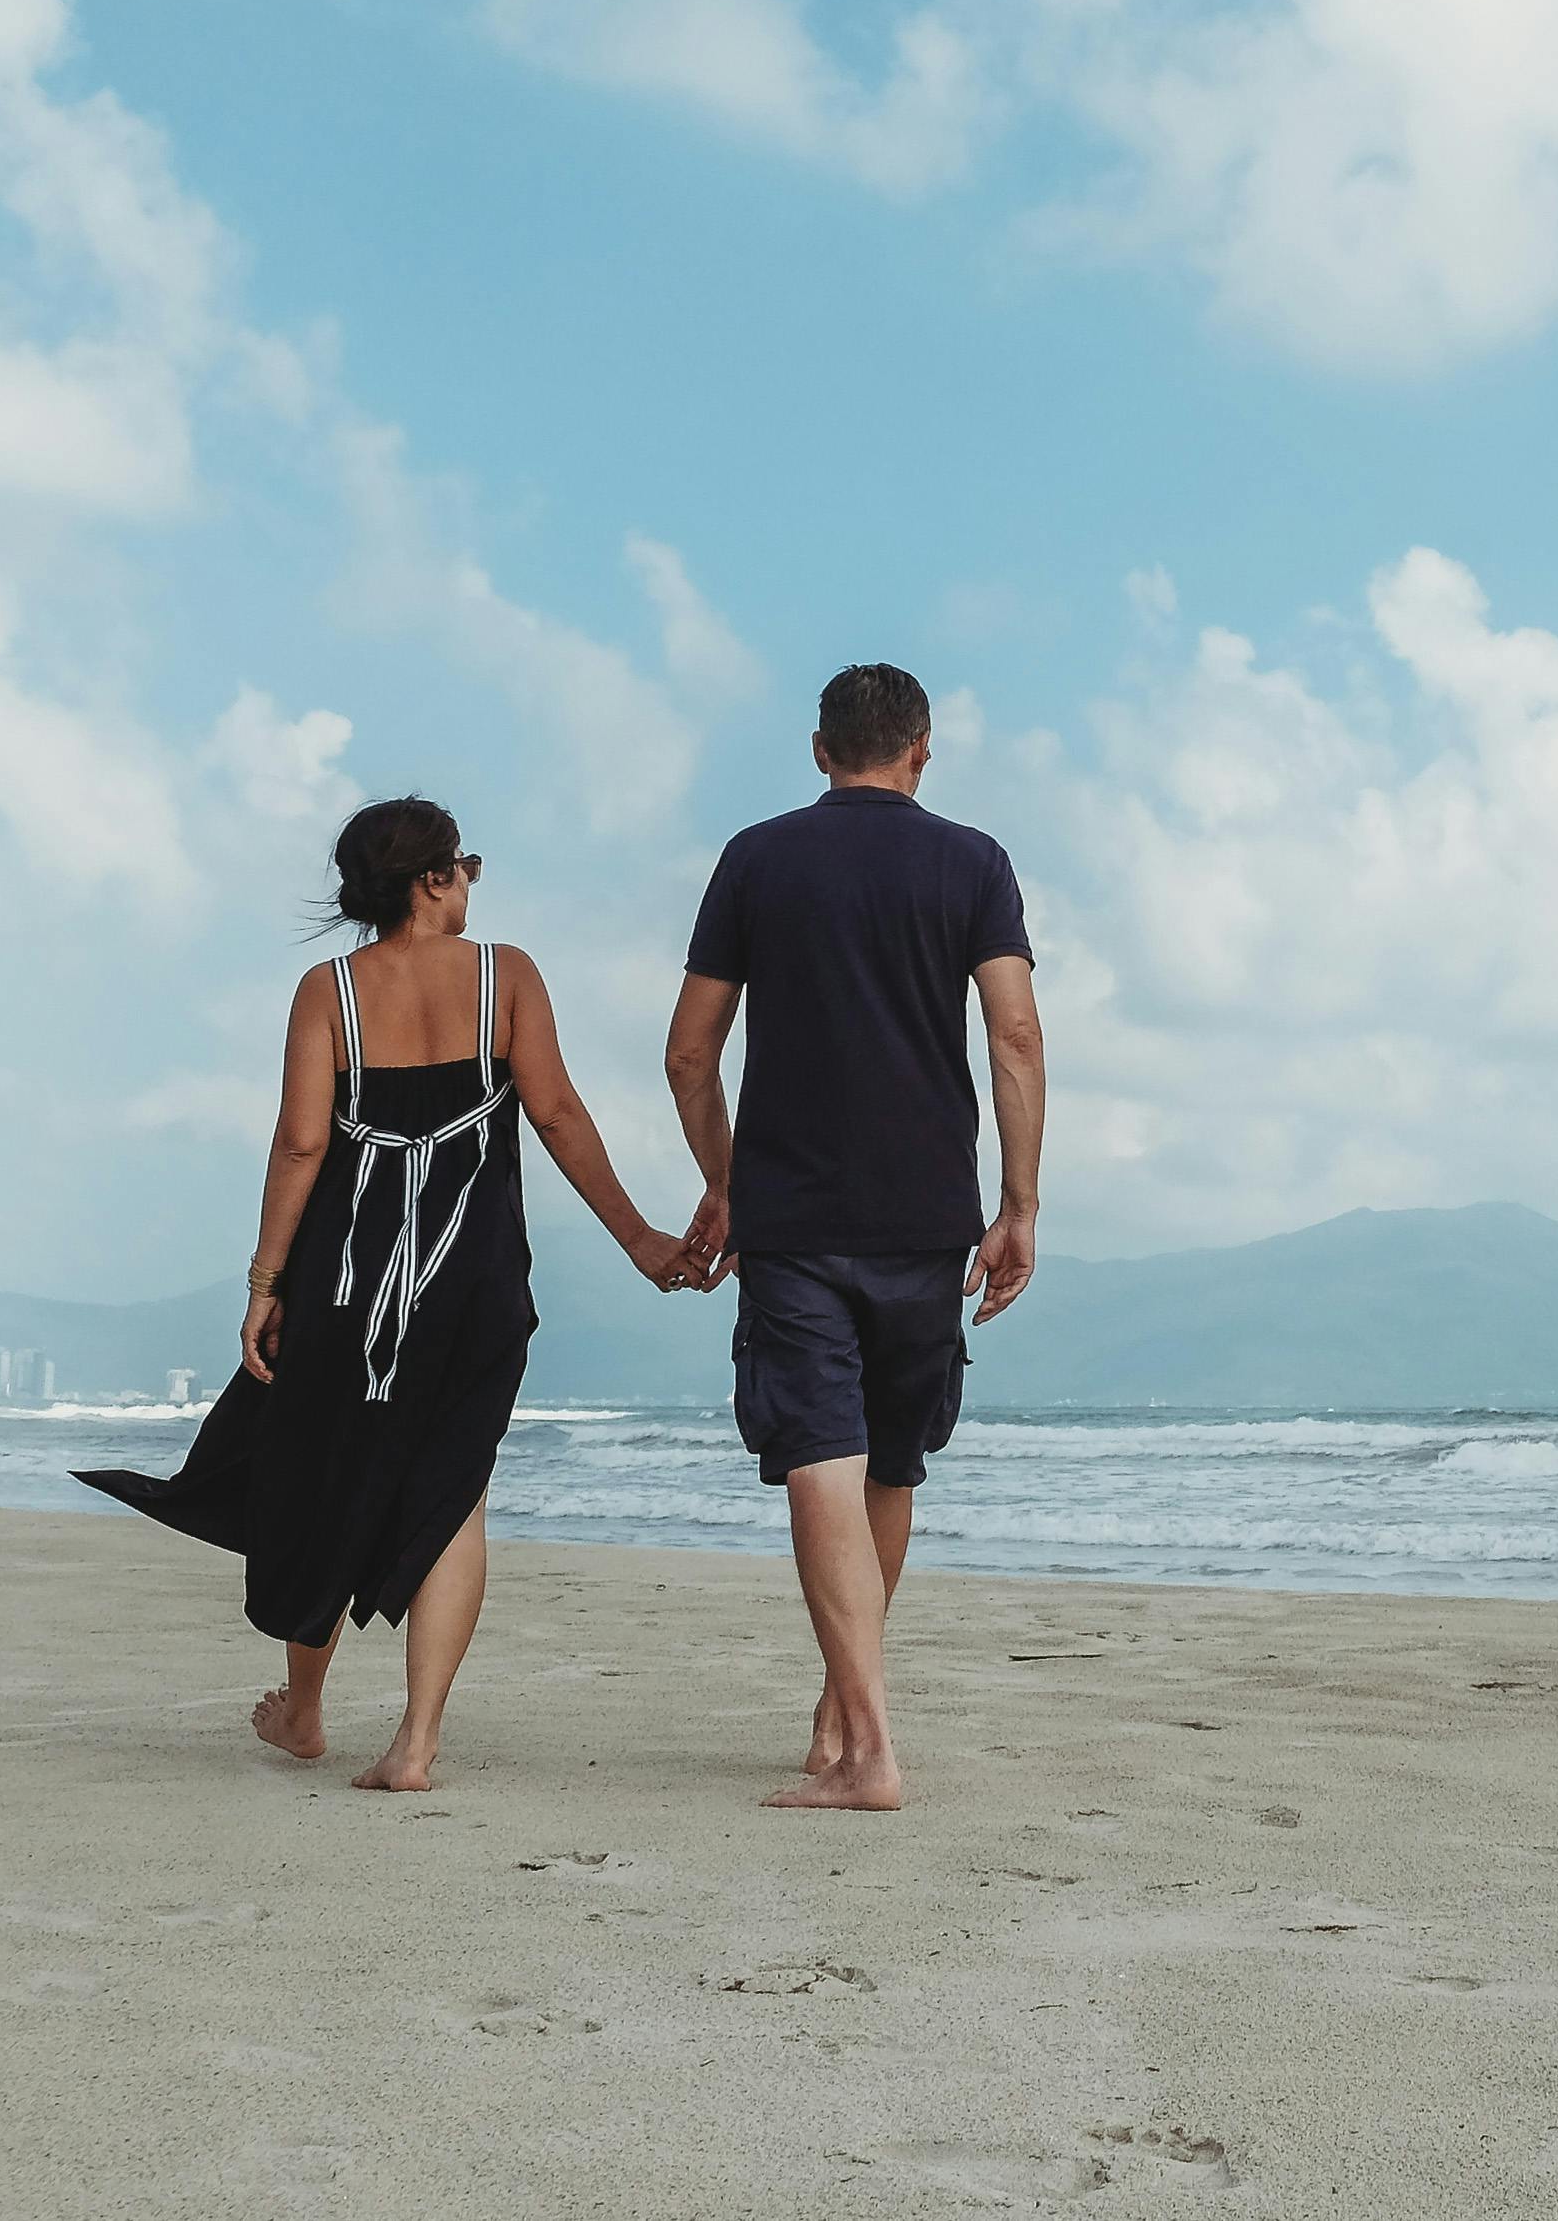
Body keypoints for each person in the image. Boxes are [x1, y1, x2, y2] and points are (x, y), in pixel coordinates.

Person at [82, 797, 698, 1790]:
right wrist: (639, 1239)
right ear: (431, 878)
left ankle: (307, 1710)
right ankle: (414, 1743)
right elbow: (558, 1113)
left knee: (319, 1472)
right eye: (465, 867)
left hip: (344, 1279)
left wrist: (264, 1283)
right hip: (475, 1280)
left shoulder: (330, 991)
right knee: (455, 1493)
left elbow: (299, 1144)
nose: (469, 885)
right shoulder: (508, 976)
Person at [667, 661, 1046, 1813]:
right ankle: (851, 1711)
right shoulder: (973, 861)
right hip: (929, 1215)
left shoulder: (758, 857)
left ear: (820, 748)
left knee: (820, 1454)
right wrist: (1018, 1203)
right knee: (887, 1457)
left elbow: (689, 1053)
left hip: (795, 1219)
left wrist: (726, 1182)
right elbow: (1016, 1036)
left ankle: (863, 1733)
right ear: (920, 750)